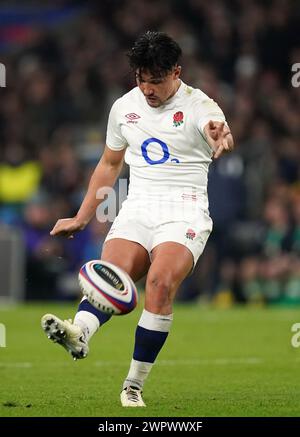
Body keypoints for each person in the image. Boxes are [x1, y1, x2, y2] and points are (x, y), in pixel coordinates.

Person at [41, 31, 234, 407]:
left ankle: (132, 385)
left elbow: (219, 131)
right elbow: (109, 165)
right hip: (137, 207)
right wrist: (82, 217)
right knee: (110, 274)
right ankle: (78, 333)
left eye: (156, 81)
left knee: (160, 284)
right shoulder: (123, 108)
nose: (148, 88)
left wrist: (221, 137)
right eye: (141, 79)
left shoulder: (200, 106)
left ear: (176, 72)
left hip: (184, 211)